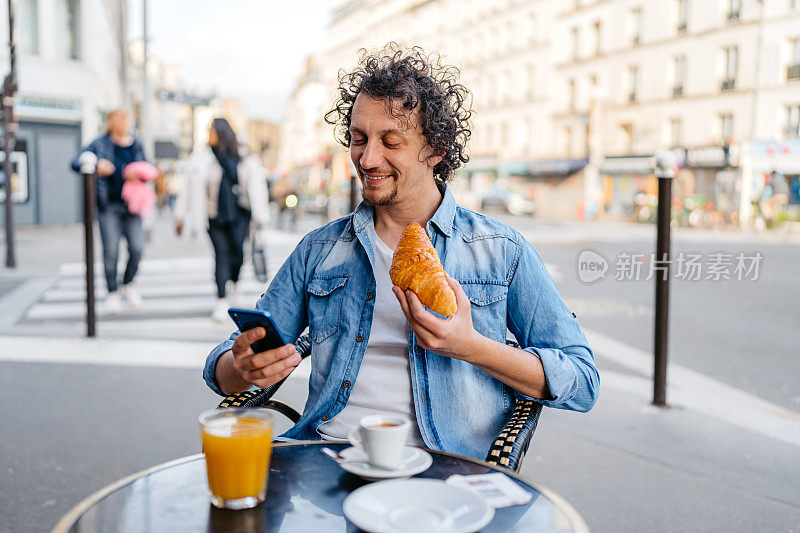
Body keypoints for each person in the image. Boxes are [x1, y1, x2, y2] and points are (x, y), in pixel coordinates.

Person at [203, 46, 599, 459]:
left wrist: (471, 347)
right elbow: (225, 366)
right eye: (358, 139)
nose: (368, 158)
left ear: (436, 150)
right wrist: (240, 367)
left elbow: (583, 382)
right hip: (327, 456)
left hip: (448, 469)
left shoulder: (501, 251)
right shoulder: (319, 250)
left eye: (390, 141)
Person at [174, 118, 269, 322]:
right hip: (213, 216)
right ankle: (221, 299)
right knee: (221, 255)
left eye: (212, 130)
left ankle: (233, 283)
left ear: (222, 132)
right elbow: (188, 188)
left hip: (240, 215)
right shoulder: (201, 157)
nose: (209, 134)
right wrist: (180, 214)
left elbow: (256, 186)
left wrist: (260, 215)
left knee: (238, 255)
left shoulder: (244, 155)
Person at [70, 110, 148, 313]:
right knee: (110, 252)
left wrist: (137, 172)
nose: (125, 122)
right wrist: (96, 163)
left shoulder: (137, 144)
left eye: (127, 118)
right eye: (120, 119)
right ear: (111, 122)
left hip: (133, 205)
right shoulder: (100, 143)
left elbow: (148, 168)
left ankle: (128, 283)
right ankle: (112, 291)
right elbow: (76, 161)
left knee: (137, 248)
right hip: (108, 207)